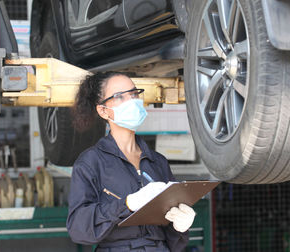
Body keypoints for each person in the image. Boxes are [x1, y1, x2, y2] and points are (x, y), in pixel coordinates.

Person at [66, 72, 196, 251]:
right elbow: (78, 229)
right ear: (103, 110)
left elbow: (173, 242)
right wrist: (127, 204)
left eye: (134, 94)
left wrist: (180, 227)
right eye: (120, 97)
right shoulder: (90, 163)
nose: (132, 101)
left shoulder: (157, 162)